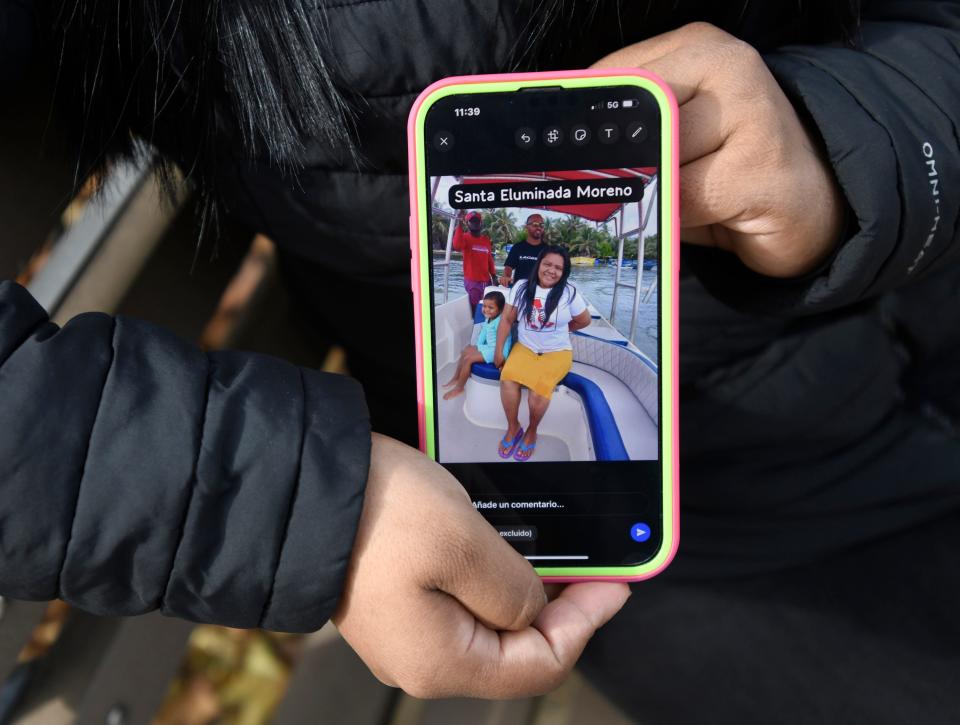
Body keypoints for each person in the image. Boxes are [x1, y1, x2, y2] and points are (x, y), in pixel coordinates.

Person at [2, 0, 959, 715]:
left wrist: (853, 138)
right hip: (711, 521)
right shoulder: (514, 282)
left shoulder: (552, 278)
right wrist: (303, 509)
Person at [495, 247, 591, 461]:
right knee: (507, 380)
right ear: (539, 264)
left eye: (558, 268)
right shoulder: (520, 286)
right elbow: (507, 320)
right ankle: (513, 428)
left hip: (557, 352)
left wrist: (561, 330)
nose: (551, 270)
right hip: (525, 348)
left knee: (540, 391)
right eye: (547, 264)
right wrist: (499, 351)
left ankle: (531, 431)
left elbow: (585, 320)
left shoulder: (570, 292)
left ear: (564, 272)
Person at [442, 290, 512, 400]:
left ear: (501, 309)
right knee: (465, 351)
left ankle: (460, 388)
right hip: (489, 347)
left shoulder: (500, 322)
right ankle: (456, 378)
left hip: (498, 351)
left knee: (469, 359)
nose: (486, 309)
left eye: (490, 307)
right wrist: (476, 347)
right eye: (484, 306)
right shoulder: (489, 318)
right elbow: (483, 334)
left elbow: (505, 343)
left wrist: (503, 360)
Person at [452, 210, 497, 310]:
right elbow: (456, 245)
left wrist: (494, 276)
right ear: (468, 224)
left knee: (488, 307)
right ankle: (474, 324)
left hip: (487, 281)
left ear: (481, 223)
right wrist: (459, 223)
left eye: (477, 221)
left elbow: (489, 259)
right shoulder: (464, 238)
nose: (475, 224)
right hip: (472, 282)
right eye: (472, 221)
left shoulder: (486, 240)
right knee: (476, 308)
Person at [499, 213, 546, 287]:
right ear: (526, 227)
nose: (539, 227)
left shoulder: (548, 250)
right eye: (535, 224)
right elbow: (509, 267)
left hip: (540, 292)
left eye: (541, 225)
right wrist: (506, 277)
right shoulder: (517, 247)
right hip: (519, 290)